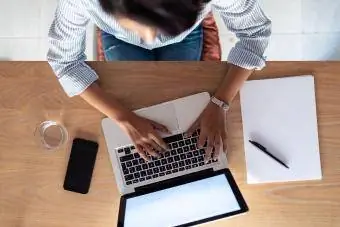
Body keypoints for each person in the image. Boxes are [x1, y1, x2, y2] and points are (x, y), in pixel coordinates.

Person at [47, 0, 271, 162]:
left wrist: (221, 102)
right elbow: (65, 62)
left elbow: (255, 34)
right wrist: (122, 117)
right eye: (137, 25)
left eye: (160, 28)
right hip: (119, 37)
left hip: (185, 34)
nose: (151, 39)